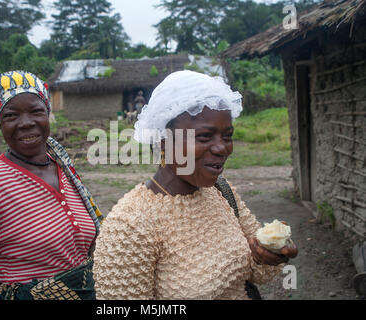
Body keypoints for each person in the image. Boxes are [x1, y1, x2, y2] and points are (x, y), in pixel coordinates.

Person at [92, 70, 298, 300]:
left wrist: (270, 254)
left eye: (227, 136)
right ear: (164, 143)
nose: (222, 148)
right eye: (204, 137)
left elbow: (255, 272)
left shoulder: (221, 192)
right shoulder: (130, 225)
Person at [0, 70, 104, 300]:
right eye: (11, 115)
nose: (26, 123)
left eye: (36, 111)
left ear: (48, 113)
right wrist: (15, 294)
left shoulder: (64, 168)